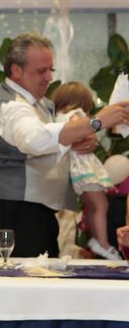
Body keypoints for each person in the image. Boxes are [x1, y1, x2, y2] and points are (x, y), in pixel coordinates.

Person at [0, 31, 129, 258]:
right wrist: (97, 122)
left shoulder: (41, 104)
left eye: (51, 70)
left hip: (36, 210)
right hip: (15, 210)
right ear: (16, 70)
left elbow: (56, 139)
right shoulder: (10, 105)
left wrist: (78, 140)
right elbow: (35, 140)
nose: (49, 77)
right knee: (27, 283)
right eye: (41, 71)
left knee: (44, 279)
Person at [53, 82, 122, 260]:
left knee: (92, 205)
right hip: (84, 169)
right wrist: (89, 133)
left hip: (72, 169)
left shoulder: (58, 116)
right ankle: (102, 243)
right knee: (101, 205)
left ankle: (97, 240)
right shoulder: (76, 115)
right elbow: (81, 131)